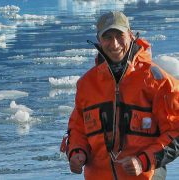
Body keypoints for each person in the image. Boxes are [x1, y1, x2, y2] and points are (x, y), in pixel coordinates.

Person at [63, 11, 179, 179]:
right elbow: (77, 129)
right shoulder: (86, 84)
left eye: (119, 35)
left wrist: (143, 161)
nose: (114, 44)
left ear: (131, 36)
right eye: (107, 37)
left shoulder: (158, 81)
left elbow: (176, 132)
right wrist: (76, 152)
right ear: (99, 40)